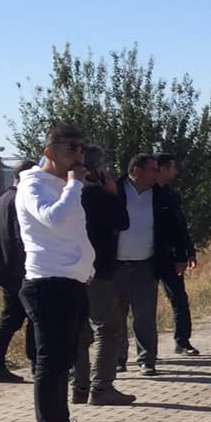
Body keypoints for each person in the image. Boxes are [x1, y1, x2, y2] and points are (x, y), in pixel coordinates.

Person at [15, 123, 98, 422]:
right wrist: (75, 185)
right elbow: (54, 219)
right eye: (70, 151)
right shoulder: (34, 184)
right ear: (50, 153)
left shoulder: (64, 184)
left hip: (71, 282)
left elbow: (74, 233)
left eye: (80, 150)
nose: (77, 158)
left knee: (65, 360)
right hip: (47, 283)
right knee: (50, 363)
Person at [80, 147, 135, 405]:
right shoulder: (94, 193)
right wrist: (113, 194)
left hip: (71, 270)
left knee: (79, 331)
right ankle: (101, 387)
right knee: (108, 327)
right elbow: (121, 221)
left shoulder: (63, 191)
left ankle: (78, 386)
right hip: (97, 270)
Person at [113, 153, 166, 379]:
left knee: (144, 316)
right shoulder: (114, 191)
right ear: (136, 171)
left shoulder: (160, 196)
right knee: (116, 316)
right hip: (115, 266)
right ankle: (117, 359)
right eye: (152, 169)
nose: (157, 173)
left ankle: (147, 360)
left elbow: (174, 224)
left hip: (146, 264)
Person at [0, 166, 33, 382]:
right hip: (17, 268)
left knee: (13, 317)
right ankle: (36, 363)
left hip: (5, 266)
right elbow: (20, 238)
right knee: (32, 315)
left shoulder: (2, 199)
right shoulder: (18, 200)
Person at [153, 154, 198, 355]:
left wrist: (187, 252)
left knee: (179, 298)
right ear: (162, 169)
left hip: (171, 257)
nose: (175, 171)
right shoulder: (147, 194)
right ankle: (139, 351)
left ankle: (182, 341)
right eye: (172, 167)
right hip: (147, 256)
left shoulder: (171, 194)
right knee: (142, 304)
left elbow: (180, 226)